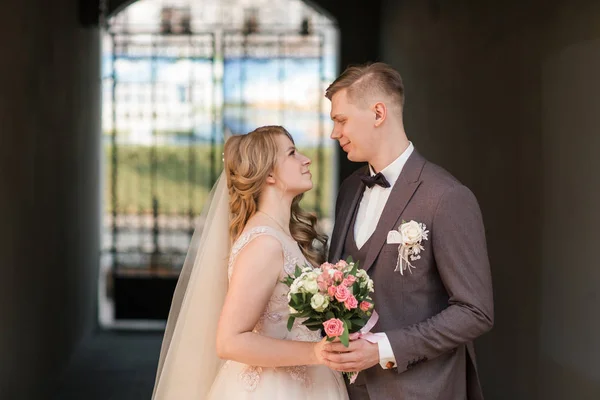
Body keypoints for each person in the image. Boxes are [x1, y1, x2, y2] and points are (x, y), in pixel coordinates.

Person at [321, 62, 494, 400]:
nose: (334, 133)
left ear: (378, 113)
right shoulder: (349, 189)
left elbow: (476, 312)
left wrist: (383, 348)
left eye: (340, 120)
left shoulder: (446, 197)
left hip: (423, 390)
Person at [152, 125, 348, 399]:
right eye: (292, 153)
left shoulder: (283, 235)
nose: (306, 159)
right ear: (268, 173)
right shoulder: (264, 244)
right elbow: (230, 341)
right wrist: (315, 352)